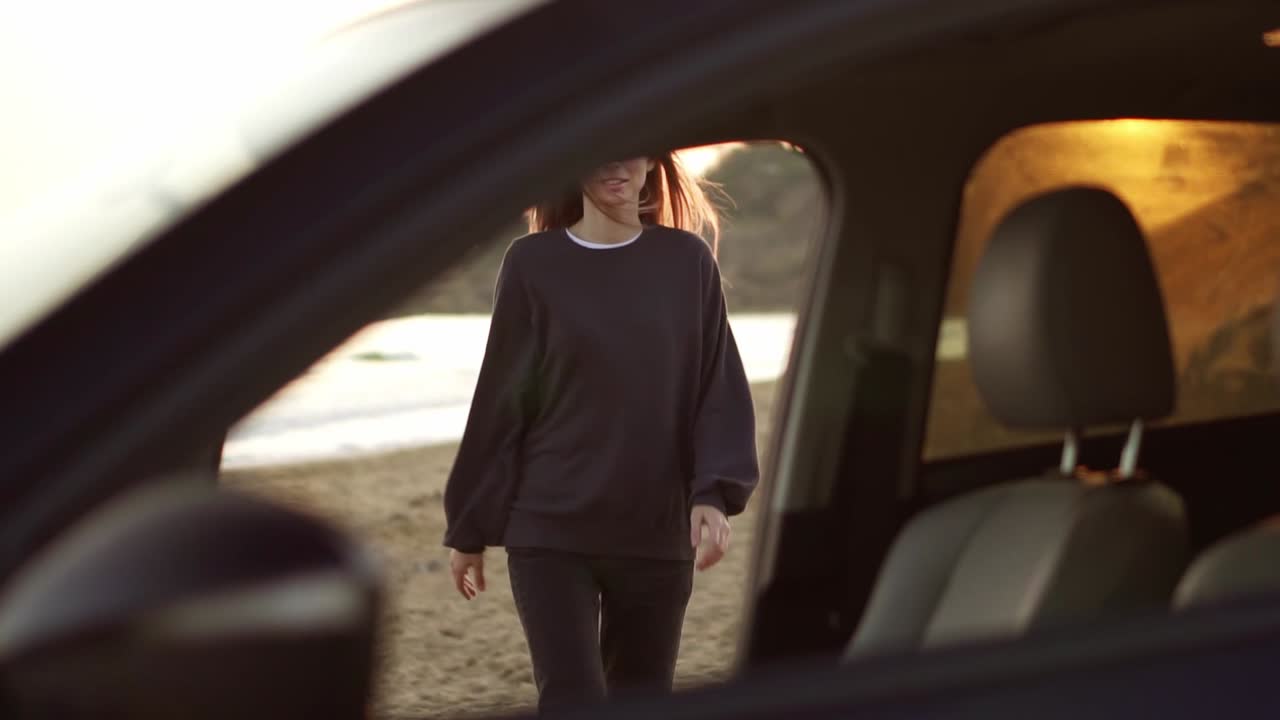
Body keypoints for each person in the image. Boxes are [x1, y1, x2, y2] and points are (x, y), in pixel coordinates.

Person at [442, 153, 759, 714]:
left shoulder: (686, 261)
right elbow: (502, 401)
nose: (615, 165)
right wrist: (468, 527)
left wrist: (712, 493)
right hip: (550, 529)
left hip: (655, 530)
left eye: (630, 150)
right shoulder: (532, 263)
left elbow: (716, 386)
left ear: (651, 160)